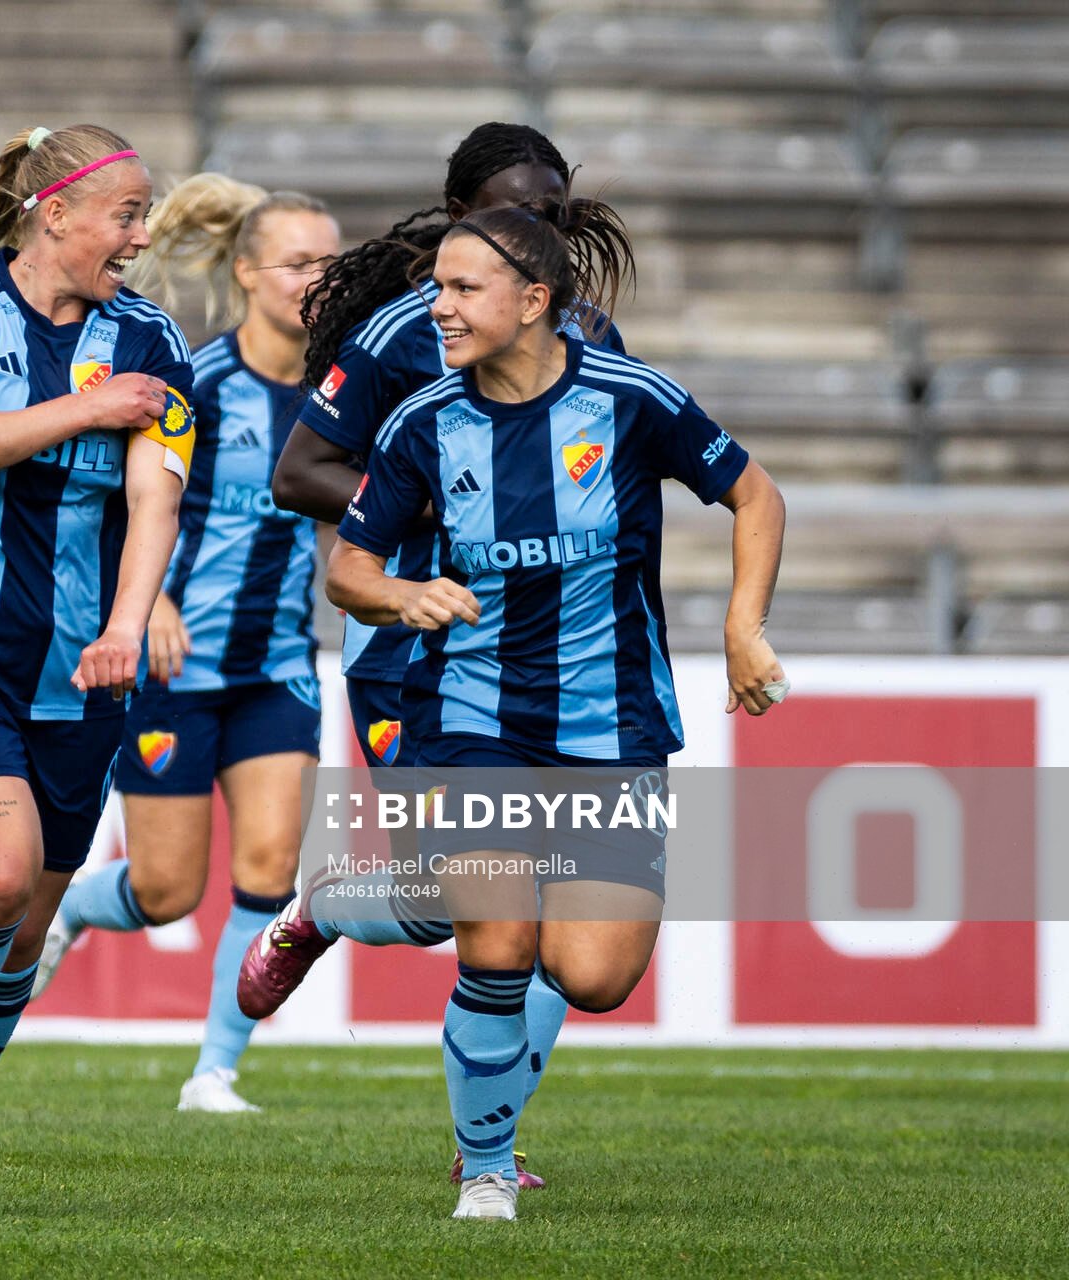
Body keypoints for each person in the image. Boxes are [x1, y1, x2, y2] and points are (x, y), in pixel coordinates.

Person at [265, 196, 788, 1220]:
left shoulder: (633, 399)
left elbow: (756, 494)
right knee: (497, 938)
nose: (441, 308)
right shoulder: (422, 422)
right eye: (437, 287)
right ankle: (488, 1167)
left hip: (615, 722)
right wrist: (400, 594)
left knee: (592, 976)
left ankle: (340, 898)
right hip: (472, 713)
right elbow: (348, 566)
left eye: (463, 289)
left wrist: (743, 625)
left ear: (535, 299)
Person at [247, 122, 629, 1189]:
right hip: (414, 648)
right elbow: (302, 471)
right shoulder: (400, 335)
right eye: (512, 210)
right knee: (478, 896)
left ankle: (490, 1131)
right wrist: (426, 519)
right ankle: (329, 907)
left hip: (559, 665)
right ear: (458, 215)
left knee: (550, 914)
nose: (537, 230)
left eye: (553, 213)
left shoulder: (589, 334)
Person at [0, 123, 193, 1215]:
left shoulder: (152, 334)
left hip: (84, 672)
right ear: (56, 213)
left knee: (23, 929)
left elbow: (156, 495)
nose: (142, 236)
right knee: (0, 875)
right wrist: (89, 407)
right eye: (126, 213)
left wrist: (129, 617)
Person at [28, 174, 339, 1114]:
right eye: (299, 262)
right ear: (247, 273)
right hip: (174, 662)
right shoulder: (196, 381)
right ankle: (76, 909)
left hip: (278, 663)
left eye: (332, 261)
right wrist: (146, 600)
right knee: (164, 891)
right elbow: (124, 500)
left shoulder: (344, 397)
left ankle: (215, 1071)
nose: (317, 279)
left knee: (271, 870)